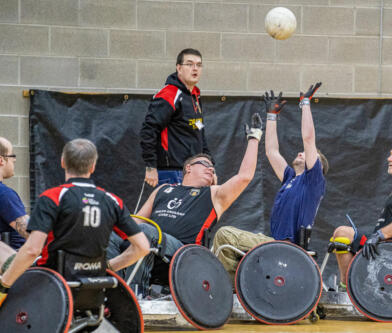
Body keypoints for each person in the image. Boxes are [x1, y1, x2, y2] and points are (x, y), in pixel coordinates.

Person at [109, 113, 262, 295]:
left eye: (212, 168)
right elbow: (138, 223)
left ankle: (135, 295)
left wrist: (254, 137)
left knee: (148, 233)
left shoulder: (214, 194)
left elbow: (244, 177)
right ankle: (112, 289)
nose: (211, 168)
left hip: (184, 256)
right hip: (149, 245)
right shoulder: (163, 189)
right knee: (110, 236)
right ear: (188, 168)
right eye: (205, 164)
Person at [0, 138, 150, 306]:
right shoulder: (112, 200)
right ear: (93, 166)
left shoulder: (52, 197)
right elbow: (143, 247)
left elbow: (32, 250)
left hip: (52, 284)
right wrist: (108, 267)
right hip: (94, 288)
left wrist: (4, 285)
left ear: (63, 162)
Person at [213, 83, 329, 281]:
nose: (301, 152)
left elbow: (309, 139)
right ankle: (241, 287)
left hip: (288, 248)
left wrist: (306, 104)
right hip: (275, 243)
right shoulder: (290, 178)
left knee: (225, 235)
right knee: (228, 248)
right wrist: (272, 116)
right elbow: (271, 152)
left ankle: (233, 287)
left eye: (309, 155)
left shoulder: (313, 181)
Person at [332, 144, 392, 291]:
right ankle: (348, 287)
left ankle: (347, 291)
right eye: (390, 154)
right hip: (386, 242)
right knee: (340, 237)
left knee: (342, 233)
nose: (389, 158)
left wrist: (378, 235)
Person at [140, 48, 210, 187]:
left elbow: (199, 132)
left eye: (198, 65)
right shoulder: (169, 94)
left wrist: (208, 165)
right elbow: (149, 130)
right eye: (189, 64)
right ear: (179, 68)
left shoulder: (195, 95)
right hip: (171, 172)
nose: (195, 68)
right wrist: (150, 167)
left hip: (193, 171)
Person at [0, 137, 29, 249]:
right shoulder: (4, 194)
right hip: (10, 263)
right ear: (1, 160)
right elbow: (29, 232)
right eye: (12, 155)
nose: (14, 159)